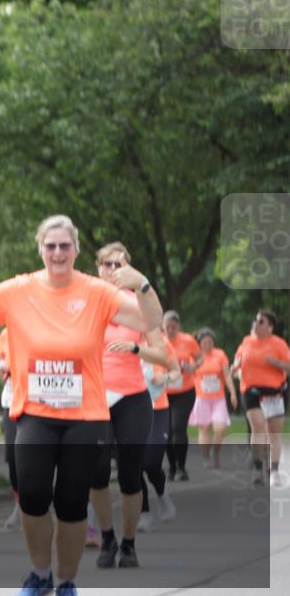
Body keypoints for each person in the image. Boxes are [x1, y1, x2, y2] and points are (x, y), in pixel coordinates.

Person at [0, 215, 163, 596]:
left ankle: (66, 582)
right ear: (40, 250)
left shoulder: (97, 292)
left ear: (77, 251)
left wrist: (142, 284)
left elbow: (149, 320)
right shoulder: (20, 288)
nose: (58, 253)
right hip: (35, 411)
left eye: (66, 246)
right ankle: (40, 574)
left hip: (86, 415)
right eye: (51, 246)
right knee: (31, 494)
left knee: (70, 501)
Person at [88, 243, 170, 570]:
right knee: (95, 472)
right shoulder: (87, 302)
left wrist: (136, 348)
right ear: (97, 268)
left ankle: (129, 543)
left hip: (132, 397)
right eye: (106, 264)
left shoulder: (139, 306)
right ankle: (107, 539)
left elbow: (162, 354)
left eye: (119, 264)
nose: (112, 270)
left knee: (129, 473)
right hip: (94, 396)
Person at [231, 309, 290, 487]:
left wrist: (276, 363)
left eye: (261, 322)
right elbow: (237, 361)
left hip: (275, 392)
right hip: (251, 391)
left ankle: (274, 471)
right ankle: (257, 469)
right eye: (256, 320)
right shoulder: (246, 342)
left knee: (274, 433)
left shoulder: (279, 344)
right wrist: (235, 368)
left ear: (270, 327)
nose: (256, 324)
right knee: (258, 427)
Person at [137, 330, 180, 532]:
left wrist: (165, 377)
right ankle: (144, 513)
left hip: (158, 408)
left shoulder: (160, 342)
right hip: (130, 409)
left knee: (151, 462)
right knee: (133, 465)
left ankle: (162, 496)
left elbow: (176, 370)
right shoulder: (119, 340)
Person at [189, 328, 237, 469]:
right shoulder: (194, 357)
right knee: (204, 429)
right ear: (199, 343)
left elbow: (227, 375)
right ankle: (206, 457)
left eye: (210, 342)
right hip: (202, 398)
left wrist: (233, 393)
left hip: (218, 399)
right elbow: (187, 371)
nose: (208, 344)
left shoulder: (220, 354)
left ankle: (215, 451)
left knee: (220, 428)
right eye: (204, 342)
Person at [163, 310, 202, 481]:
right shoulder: (155, 340)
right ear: (162, 326)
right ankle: (171, 466)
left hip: (184, 391)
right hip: (162, 392)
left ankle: (181, 467)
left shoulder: (187, 340)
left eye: (174, 326)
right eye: (167, 326)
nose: (171, 330)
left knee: (177, 428)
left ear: (178, 326)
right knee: (166, 432)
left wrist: (195, 367)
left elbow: (200, 358)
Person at [0, 327, 22, 530]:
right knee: (12, 456)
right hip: (11, 400)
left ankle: (37, 505)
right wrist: (4, 365)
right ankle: (19, 505)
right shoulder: (5, 334)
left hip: (36, 400)